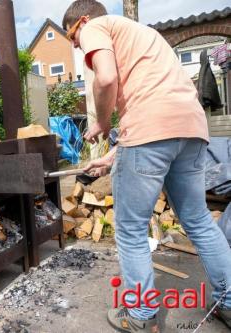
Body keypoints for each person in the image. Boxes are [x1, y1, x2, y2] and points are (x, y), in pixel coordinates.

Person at [61, 1, 231, 332]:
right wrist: (111, 157)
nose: (77, 45)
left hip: (151, 131)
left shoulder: (97, 26)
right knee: (198, 220)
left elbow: (107, 79)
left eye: (73, 37)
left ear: (82, 20)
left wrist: (104, 122)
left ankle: (140, 315)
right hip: (191, 130)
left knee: (130, 229)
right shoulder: (145, 35)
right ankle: (230, 302)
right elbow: (156, 107)